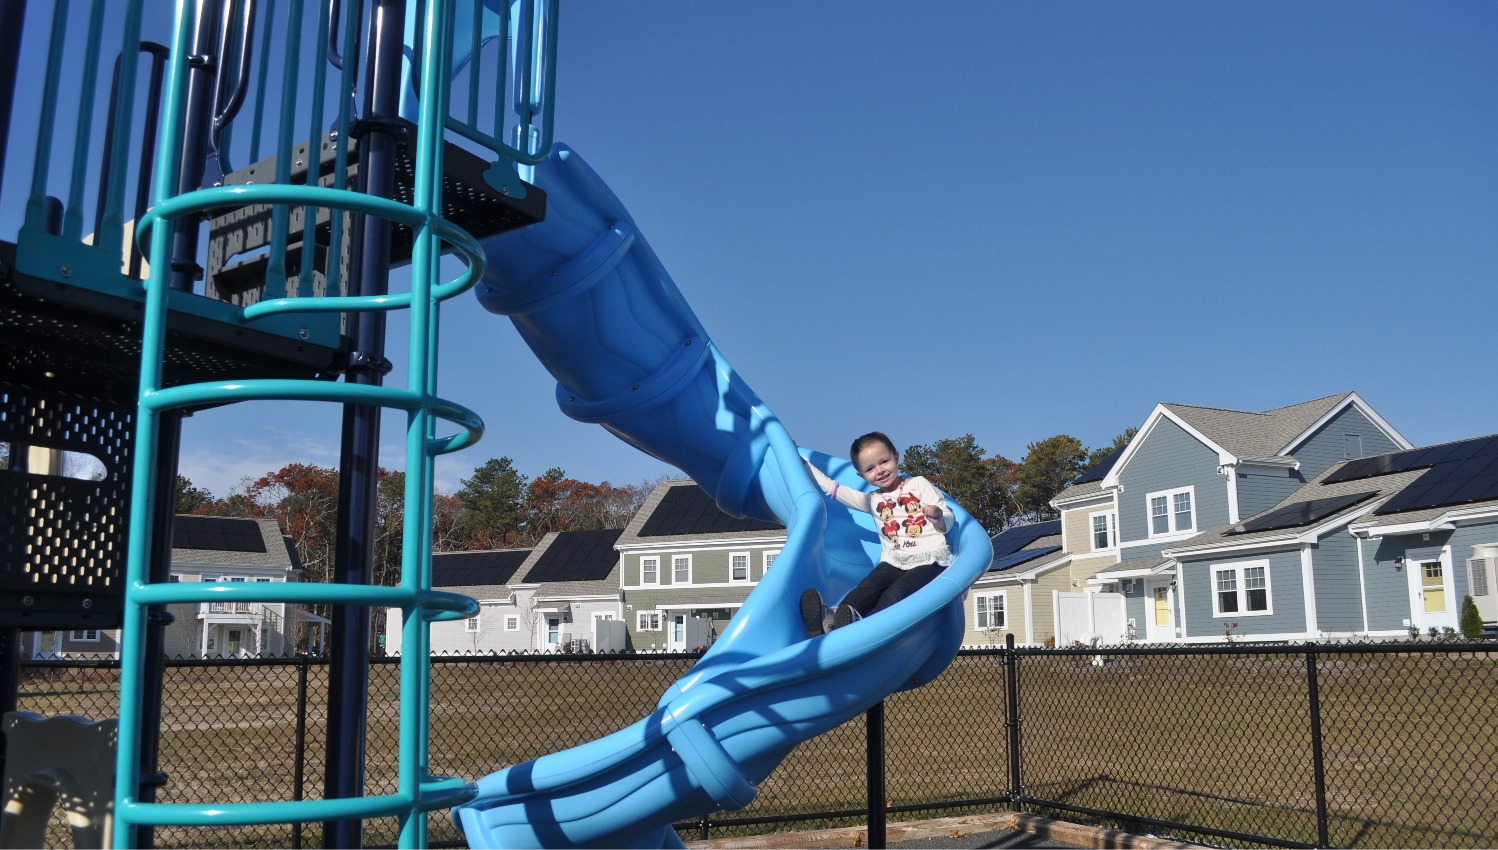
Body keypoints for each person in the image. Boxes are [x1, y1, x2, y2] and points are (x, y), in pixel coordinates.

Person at [800, 431, 956, 638]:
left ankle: (864, 630)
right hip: (894, 561)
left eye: (884, 461)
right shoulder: (872, 500)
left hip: (929, 560)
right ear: (861, 475)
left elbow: (948, 516)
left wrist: (937, 517)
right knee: (866, 589)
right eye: (870, 468)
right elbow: (831, 488)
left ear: (896, 457)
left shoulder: (918, 484)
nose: (880, 470)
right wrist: (798, 461)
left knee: (895, 595)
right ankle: (833, 618)